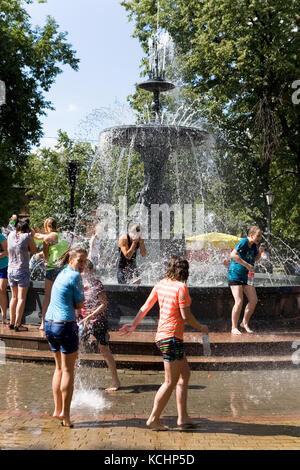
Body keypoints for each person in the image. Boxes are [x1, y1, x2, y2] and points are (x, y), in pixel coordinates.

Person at [119, 256, 209, 431]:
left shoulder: (161, 284)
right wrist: (201, 327)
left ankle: (182, 417)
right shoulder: (181, 288)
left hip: (166, 337)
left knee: (185, 375)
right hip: (171, 339)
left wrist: (134, 324)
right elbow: (186, 316)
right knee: (170, 381)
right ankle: (153, 419)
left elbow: (146, 306)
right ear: (185, 271)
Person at [44, 246, 87, 428]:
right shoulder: (75, 276)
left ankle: (57, 410)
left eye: (85, 261)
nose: (83, 264)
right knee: (68, 370)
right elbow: (79, 304)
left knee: (59, 369)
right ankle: (67, 416)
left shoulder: (62, 272)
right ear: (71, 260)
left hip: (49, 324)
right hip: (64, 324)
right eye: (80, 261)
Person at [78, 260, 120, 391]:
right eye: (81, 270)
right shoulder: (78, 285)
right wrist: (79, 319)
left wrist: (90, 317)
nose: (83, 273)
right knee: (76, 349)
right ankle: (72, 380)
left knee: (104, 349)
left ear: (92, 270)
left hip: (98, 322)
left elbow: (104, 304)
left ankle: (116, 381)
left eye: (86, 270)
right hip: (83, 322)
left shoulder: (97, 284)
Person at [34, 218, 69, 330]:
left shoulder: (48, 237)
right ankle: (61, 321)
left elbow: (45, 253)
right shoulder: (63, 236)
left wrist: (48, 261)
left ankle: (43, 323)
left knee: (48, 296)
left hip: (52, 268)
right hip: (63, 268)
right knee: (62, 295)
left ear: (46, 226)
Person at [228, 225, 263, 335]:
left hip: (246, 275)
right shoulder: (243, 242)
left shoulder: (253, 246)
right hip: (235, 274)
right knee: (239, 301)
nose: (260, 238)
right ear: (251, 235)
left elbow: (255, 259)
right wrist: (247, 265)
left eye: (260, 236)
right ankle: (234, 327)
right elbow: (233, 254)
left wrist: (260, 253)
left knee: (253, 300)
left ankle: (244, 322)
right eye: (258, 236)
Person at [7, 219, 37, 331]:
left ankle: (11, 321)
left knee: (13, 297)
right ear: (26, 229)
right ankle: (18, 324)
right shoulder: (27, 237)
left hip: (10, 270)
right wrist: (31, 235)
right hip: (22, 271)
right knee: (21, 298)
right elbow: (34, 250)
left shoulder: (10, 235)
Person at [0, 231, 9, 325]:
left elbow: (7, 251)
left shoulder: (1, 237)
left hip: (3, 267)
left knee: (2, 290)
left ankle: (4, 317)